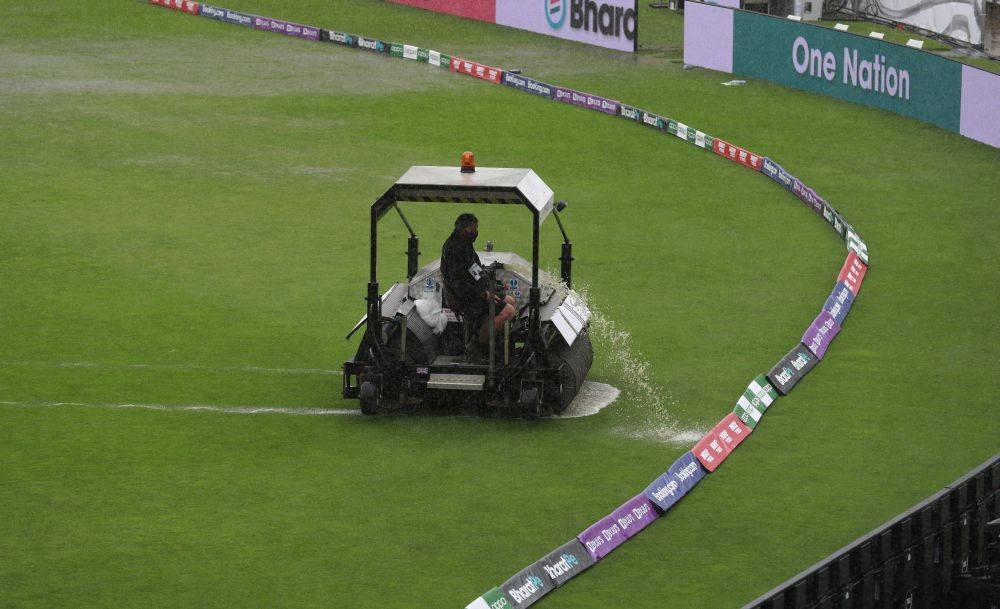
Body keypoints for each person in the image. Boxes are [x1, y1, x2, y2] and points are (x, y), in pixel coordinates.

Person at [441, 213, 515, 343]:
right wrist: (483, 294)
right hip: (464, 298)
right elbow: (459, 283)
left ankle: (493, 339)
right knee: (508, 312)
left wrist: (488, 286)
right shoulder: (454, 249)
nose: (476, 232)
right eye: (474, 229)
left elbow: (475, 270)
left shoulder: (464, 243)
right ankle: (477, 346)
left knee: (510, 300)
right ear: (466, 229)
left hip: (475, 292)